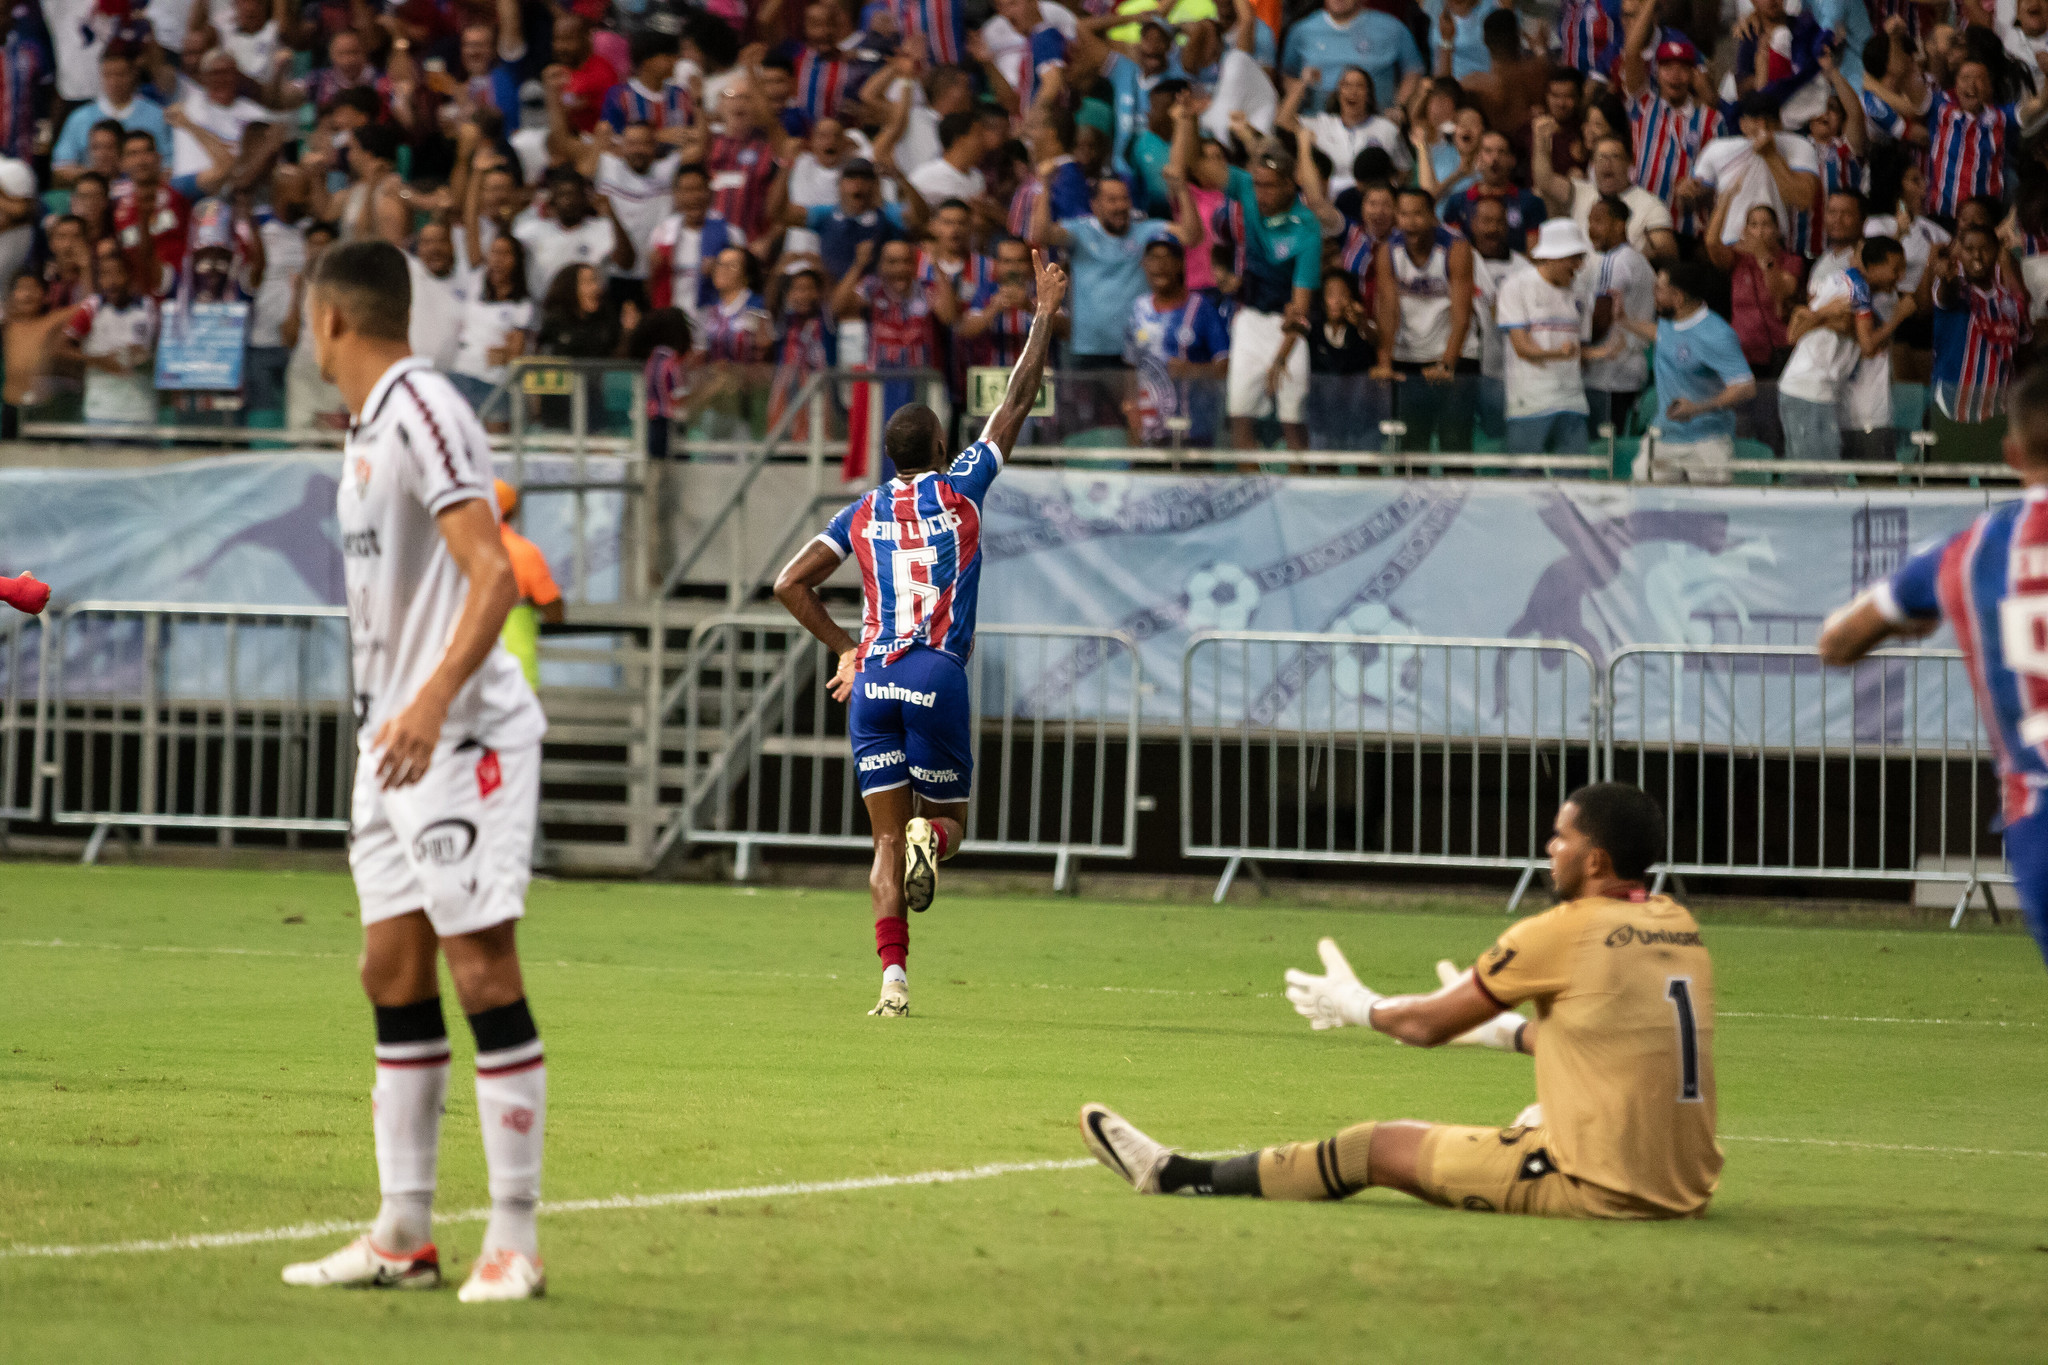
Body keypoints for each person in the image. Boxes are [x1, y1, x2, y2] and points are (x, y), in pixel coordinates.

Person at [278, 238, 549, 1303]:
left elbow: (492, 576)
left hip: (457, 738)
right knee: (389, 971)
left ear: (331, 320)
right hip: (389, 745)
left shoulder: (424, 407)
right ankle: (401, 1233)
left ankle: (515, 1240)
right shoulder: (367, 427)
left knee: (481, 969)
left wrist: (432, 703)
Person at [1080, 783, 1723, 1224]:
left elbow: (1422, 1026)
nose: (1549, 850)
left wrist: (1357, 1003)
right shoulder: (1678, 926)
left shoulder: (1564, 929)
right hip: (1683, 1183)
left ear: (1596, 859)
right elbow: (1617, 1038)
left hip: (1605, 1189)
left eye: (1561, 839)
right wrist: (1505, 1034)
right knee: (1537, 1110)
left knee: (1375, 1147)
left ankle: (1175, 1176)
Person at [772, 247, 1068, 1019]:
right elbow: (1019, 399)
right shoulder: (963, 486)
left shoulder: (861, 511)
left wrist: (845, 648)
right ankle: (929, 843)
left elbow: (787, 584)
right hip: (936, 672)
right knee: (950, 828)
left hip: (871, 684)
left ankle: (892, 984)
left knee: (880, 842)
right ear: (941, 450)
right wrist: (1041, 315)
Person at [1820, 364, 2048, 968]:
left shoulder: (1966, 552)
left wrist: (1906, 620)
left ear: (2011, 451)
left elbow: (1836, 642)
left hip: (2040, 818)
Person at [1625, 260, 1758, 484]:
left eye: (1659, 289)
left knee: (1709, 514)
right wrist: (1623, 320)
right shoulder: (1668, 322)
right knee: (1644, 507)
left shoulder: (1717, 334)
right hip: (1663, 437)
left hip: (1707, 442)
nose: (1654, 294)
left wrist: (1698, 408)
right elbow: (1661, 335)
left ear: (1678, 297)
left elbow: (1745, 387)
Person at [1371, 186, 1475, 454]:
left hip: (1450, 354)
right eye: (1403, 214)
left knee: (1455, 444)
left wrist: (1447, 363)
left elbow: (1461, 315)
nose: (1410, 222)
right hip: (1408, 358)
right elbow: (1388, 311)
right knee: (1410, 449)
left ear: (1432, 216)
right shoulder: (1387, 251)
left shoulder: (1456, 248)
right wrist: (1384, 362)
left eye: (1417, 214)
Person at [1928, 225, 2030, 463]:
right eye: (1969, 249)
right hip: (1951, 412)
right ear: (1959, 253)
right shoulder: (1955, 290)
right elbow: (1947, 294)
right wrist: (1946, 277)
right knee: (1949, 492)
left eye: (1984, 248)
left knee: (1996, 490)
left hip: (1996, 417)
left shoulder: (2011, 302)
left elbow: (2022, 353)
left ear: (1996, 252)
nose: (1976, 255)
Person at [1496, 218, 1594, 456]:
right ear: (1554, 257)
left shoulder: (1581, 292)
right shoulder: (1516, 286)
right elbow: (1522, 348)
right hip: (1530, 404)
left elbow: (1579, 349)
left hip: (1572, 402)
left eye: (1581, 258)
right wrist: (1559, 354)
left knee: (1576, 482)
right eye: (1574, 259)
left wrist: (1605, 351)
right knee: (1525, 483)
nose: (1579, 266)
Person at [1123, 237, 1229, 448]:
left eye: (1167, 258)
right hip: (1149, 432)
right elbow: (1130, 368)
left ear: (1180, 264)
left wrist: (1193, 371)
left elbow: (1225, 367)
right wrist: (1131, 411)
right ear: (1144, 264)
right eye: (1153, 258)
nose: (1160, 265)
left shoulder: (1202, 309)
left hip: (1194, 429)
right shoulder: (1138, 310)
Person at [1581, 195, 1656, 436]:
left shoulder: (1612, 262)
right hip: (1633, 369)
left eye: (1599, 221)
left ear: (1619, 224)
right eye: (1590, 221)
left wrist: (1577, 346)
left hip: (1608, 373)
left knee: (1604, 451)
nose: (1592, 229)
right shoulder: (1642, 262)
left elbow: (1602, 319)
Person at [58, 246, 158, 426]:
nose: (111, 281)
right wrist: (100, 361)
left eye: (118, 273)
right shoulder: (92, 307)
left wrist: (145, 359)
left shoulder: (147, 307)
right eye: (104, 274)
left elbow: (159, 353)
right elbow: (61, 348)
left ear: (130, 276)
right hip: (101, 411)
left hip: (141, 411)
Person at [1836, 236, 1913, 463]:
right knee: (1878, 486)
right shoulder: (1853, 295)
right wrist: (1898, 317)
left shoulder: (1868, 299)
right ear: (1872, 266)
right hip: (1865, 416)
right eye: (1895, 269)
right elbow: (1867, 346)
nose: (1901, 276)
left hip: (1868, 414)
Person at [492, 479, 565, 690]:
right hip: (517, 676)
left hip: (466, 676)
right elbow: (554, 611)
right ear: (512, 512)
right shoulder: (525, 553)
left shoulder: (457, 552)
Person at [450, 233, 535, 411]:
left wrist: (504, 355)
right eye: (494, 252)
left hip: (494, 384)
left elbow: (516, 356)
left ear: (516, 260)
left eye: (505, 254)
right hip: (461, 373)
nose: (498, 260)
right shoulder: (475, 283)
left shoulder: (522, 306)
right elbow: (471, 237)